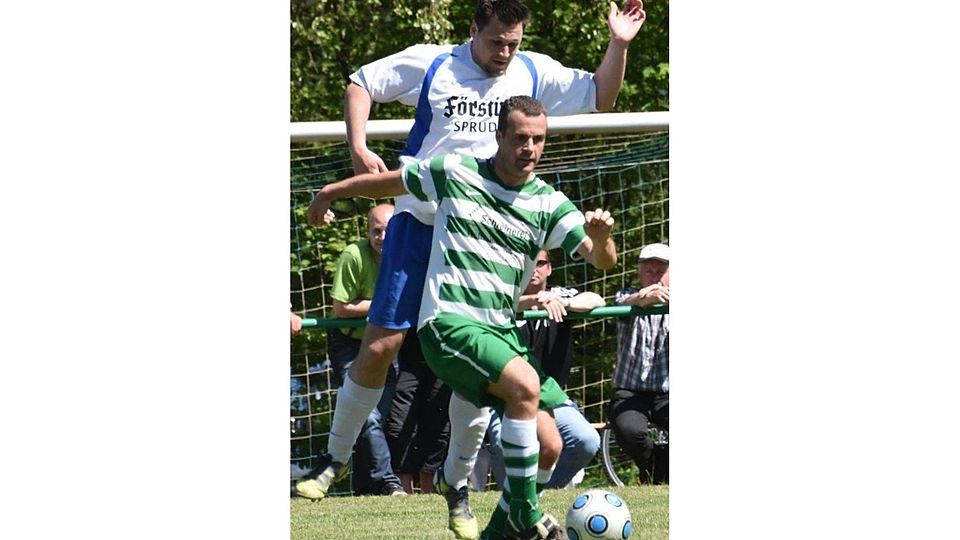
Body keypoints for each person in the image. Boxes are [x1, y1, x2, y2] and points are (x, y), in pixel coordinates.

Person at [300, 1, 645, 537]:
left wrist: (619, 43)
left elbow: (602, 95)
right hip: (423, 218)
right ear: (472, 31)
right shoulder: (434, 63)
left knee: (487, 380)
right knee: (382, 345)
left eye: (514, 42)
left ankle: (459, 487)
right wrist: (358, 147)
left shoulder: (532, 73)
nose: (505, 53)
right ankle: (334, 459)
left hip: (490, 232)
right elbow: (360, 83)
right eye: (495, 43)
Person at [479, 249, 604, 491]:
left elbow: (597, 299)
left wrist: (564, 303)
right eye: (528, 263)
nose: (535, 268)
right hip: (503, 397)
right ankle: (510, 506)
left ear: (549, 269)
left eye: (541, 263)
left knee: (587, 441)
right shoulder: (502, 293)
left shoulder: (558, 295)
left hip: (549, 396)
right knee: (508, 445)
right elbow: (487, 307)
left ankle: (539, 493)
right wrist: (532, 302)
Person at [325, 203, 406, 496]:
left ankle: (363, 490)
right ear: (367, 232)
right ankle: (389, 481)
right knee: (367, 413)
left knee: (374, 421)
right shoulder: (353, 256)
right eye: (376, 231)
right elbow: (340, 308)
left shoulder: (407, 254)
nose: (383, 237)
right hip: (348, 342)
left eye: (389, 230)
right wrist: (384, 304)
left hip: (384, 341)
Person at [610, 242, 669, 484]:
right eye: (649, 270)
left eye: (660, 271)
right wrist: (643, 299)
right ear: (639, 273)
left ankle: (661, 469)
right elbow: (622, 305)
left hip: (668, 392)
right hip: (629, 392)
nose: (654, 277)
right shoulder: (626, 296)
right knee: (628, 431)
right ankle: (660, 468)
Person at [384, 330, 452, 494]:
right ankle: (404, 493)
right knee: (399, 424)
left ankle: (429, 492)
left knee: (439, 425)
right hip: (404, 358)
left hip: (441, 357)